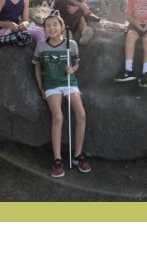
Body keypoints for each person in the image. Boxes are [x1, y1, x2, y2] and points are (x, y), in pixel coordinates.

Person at [31, 13, 89, 177]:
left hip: (69, 83)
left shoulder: (71, 44)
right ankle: (57, 159)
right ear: (44, 29)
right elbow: (36, 66)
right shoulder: (41, 45)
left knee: (81, 115)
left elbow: (76, 63)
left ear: (62, 26)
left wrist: (73, 69)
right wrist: (41, 88)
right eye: (48, 26)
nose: (51, 28)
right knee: (58, 117)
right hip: (51, 85)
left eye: (55, 24)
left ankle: (78, 155)